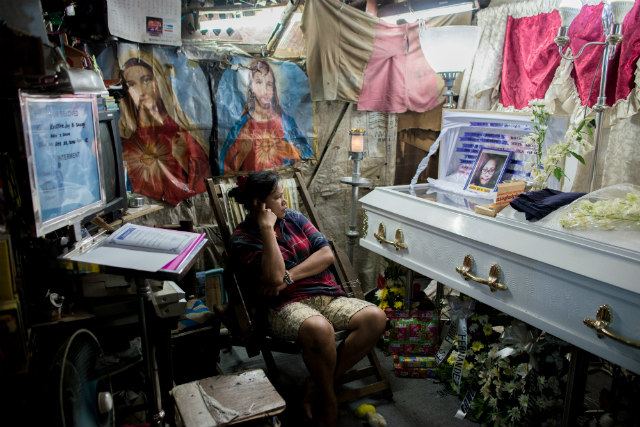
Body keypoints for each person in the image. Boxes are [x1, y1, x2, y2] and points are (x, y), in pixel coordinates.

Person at [228, 171, 387, 427]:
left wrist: (289, 277)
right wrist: (267, 228)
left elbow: (326, 255)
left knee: (375, 317)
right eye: (278, 198)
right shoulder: (244, 239)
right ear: (259, 204)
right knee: (318, 328)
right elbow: (272, 277)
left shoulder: (295, 218)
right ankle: (328, 400)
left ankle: (318, 384)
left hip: (327, 295)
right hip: (284, 307)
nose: (285, 202)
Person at [119, 56, 210, 205]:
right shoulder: (128, 137)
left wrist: (182, 158)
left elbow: (203, 181)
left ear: (158, 81)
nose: (141, 90)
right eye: (132, 84)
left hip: (181, 208)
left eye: (146, 80)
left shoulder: (181, 129)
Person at [219, 60, 313, 174]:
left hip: (282, 184)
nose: (265, 90)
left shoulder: (286, 122)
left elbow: (307, 152)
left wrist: (292, 150)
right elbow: (225, 166)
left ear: (274, 88)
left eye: (269, 84)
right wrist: (243, 153)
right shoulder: (241, 126)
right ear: (251, 87)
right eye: (259, 82)